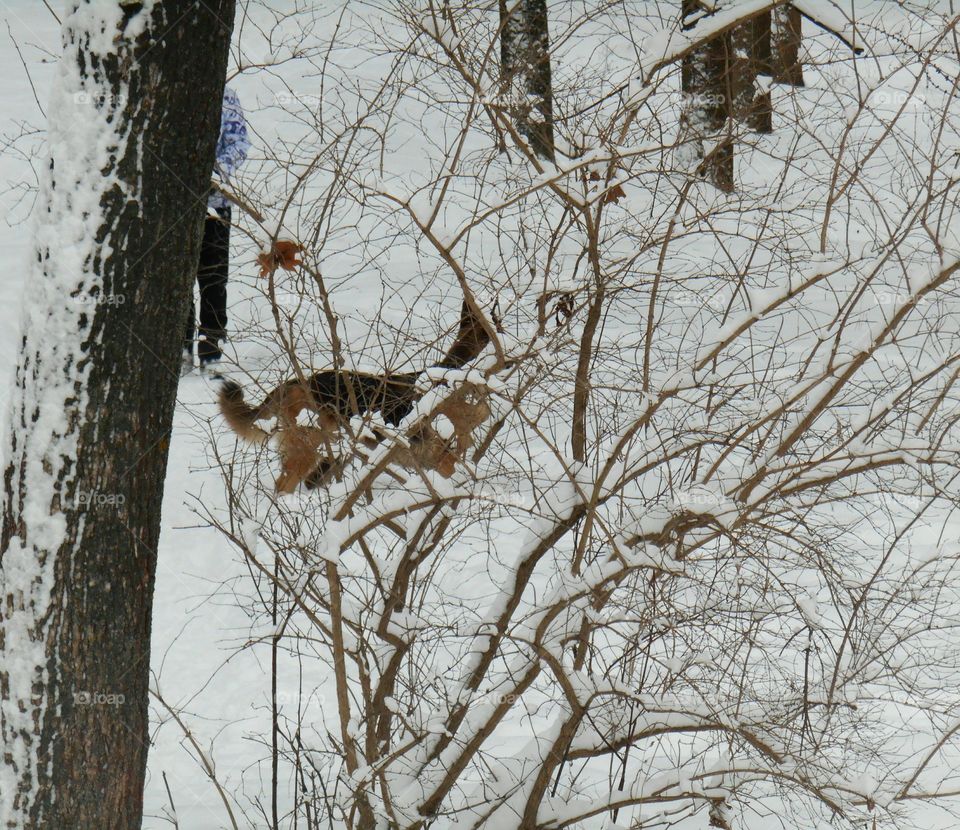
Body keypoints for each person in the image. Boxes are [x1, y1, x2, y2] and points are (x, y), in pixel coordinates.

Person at [184, 85, 250, 371]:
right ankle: (180, 348)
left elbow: (239, 143)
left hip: (215, 203)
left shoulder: (225, 95)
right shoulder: (169, 88)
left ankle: (211, 348)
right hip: (174, 204)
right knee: (178, 278)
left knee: (213, 276)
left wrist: (213, 173)